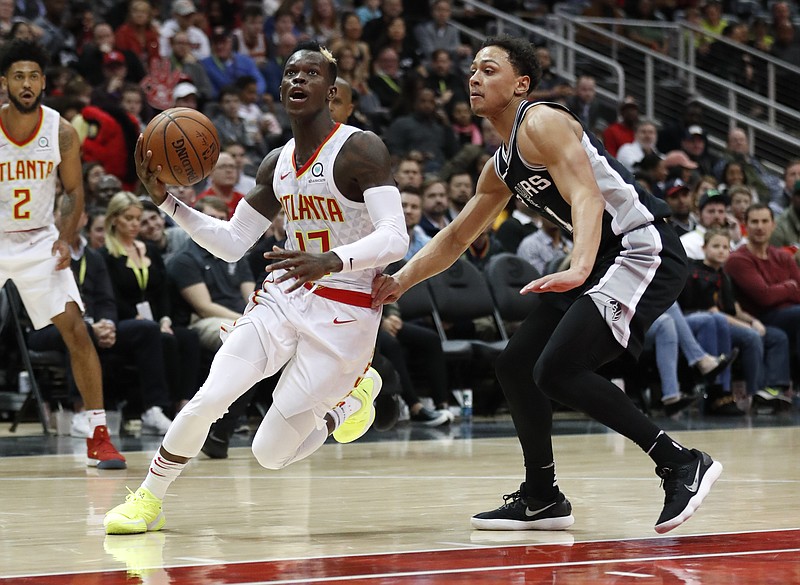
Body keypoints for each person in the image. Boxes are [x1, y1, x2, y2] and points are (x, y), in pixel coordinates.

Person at [372, 36, 722, 534]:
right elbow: (453, 238)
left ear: (521, 84)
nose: (474, 77)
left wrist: (578, 267)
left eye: (488, 69)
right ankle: (541, 496)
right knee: (515, 365)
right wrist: (399, 281)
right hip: (597, 257)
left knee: (557, 369)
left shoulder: (541, 120)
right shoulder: (501, 164)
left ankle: (681, 463)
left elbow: (587, 195)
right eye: (471, 69)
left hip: (640, 246)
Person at [104, 41, 408, 535]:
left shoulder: (361, 149)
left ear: (331, 91)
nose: (297, 80)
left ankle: (351, 401)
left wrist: (331, 259)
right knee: (210, 397)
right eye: (290, 72)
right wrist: (167, 202)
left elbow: (397, 236)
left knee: (269, 455)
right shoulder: (276, 163)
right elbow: (230, 242)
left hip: (346, 310)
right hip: (284, 296)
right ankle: (148, 499)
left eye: (311, 73)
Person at [0, 39, 125, 468]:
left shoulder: (61, 130)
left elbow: (74, 193)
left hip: (38, 238)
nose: (27, 83)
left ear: (44, 82)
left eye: (34, 75)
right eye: (18, 75)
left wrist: (65, 235)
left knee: (77, 330)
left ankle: (98, 433)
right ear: (5, 83)